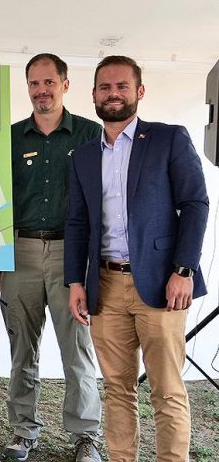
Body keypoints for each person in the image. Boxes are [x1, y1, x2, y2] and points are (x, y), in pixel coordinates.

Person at [65, 55, 209, 462]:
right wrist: (76, 281)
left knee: (166, 389)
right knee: (116, 388)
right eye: (105, 88)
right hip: (105, 287)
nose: (113, 94)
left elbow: (195, 204)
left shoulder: (168, 139)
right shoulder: (82, 157)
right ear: (93, 94)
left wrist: (184, 269)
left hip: (162, 284)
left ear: (139, 92)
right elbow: (77, 223)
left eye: (121, 86)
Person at [0, 53, 103, 462]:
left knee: (78, 349)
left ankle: (86, 436)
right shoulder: (11, 137)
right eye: (34, 84)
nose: (41, 91)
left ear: (65, 84)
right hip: (20, 251)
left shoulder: (91, 134)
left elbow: (104, 199)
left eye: (49, 82)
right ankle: (23, 430)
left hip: (73, 256)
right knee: (22, 349)